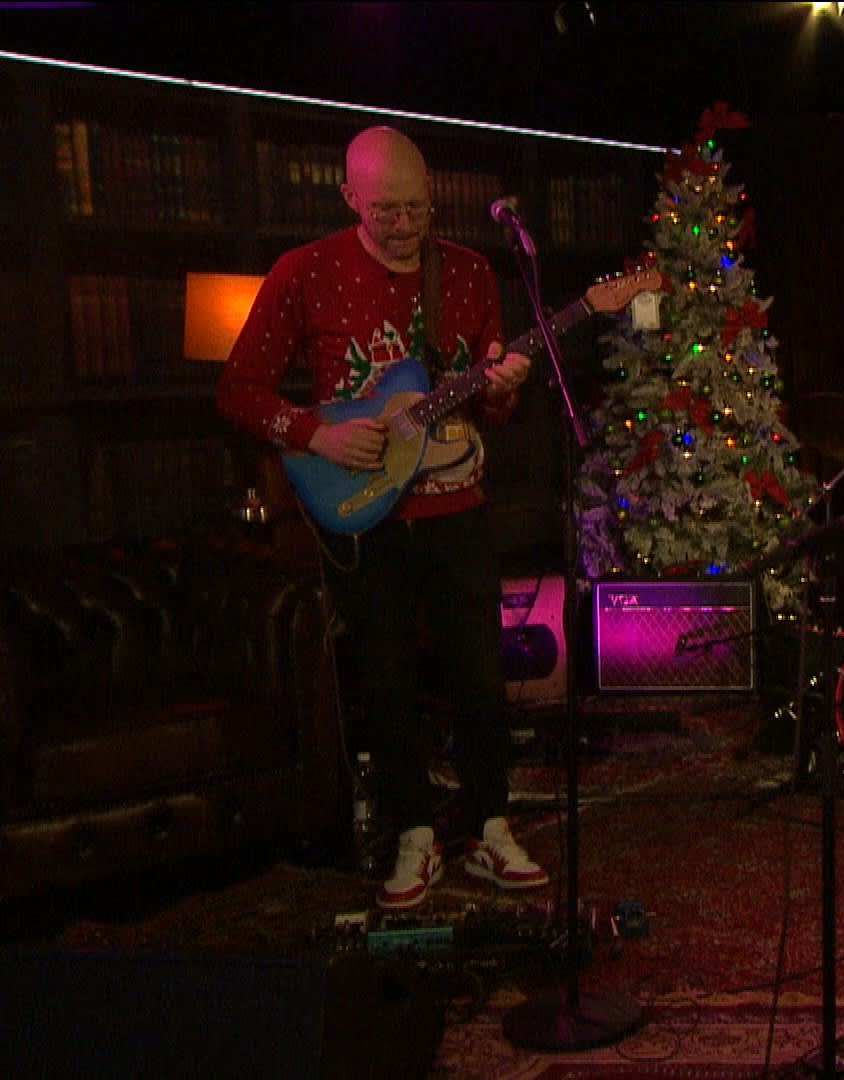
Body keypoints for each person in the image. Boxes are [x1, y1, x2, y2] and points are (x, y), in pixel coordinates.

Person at [216, 126, 548, 911]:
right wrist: (315, 434)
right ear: (349, 199)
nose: (402, 225)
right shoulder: (305, 271)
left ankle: (490, 826)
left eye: (414, 208)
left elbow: (491, 407)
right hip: (363, 511)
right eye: (383, 211)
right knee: (388, 677)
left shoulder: (468, 273)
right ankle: (414, 834)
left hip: (457, 505)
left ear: (433, 195)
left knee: (480, 673)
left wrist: (505, 387)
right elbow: (238, 388)